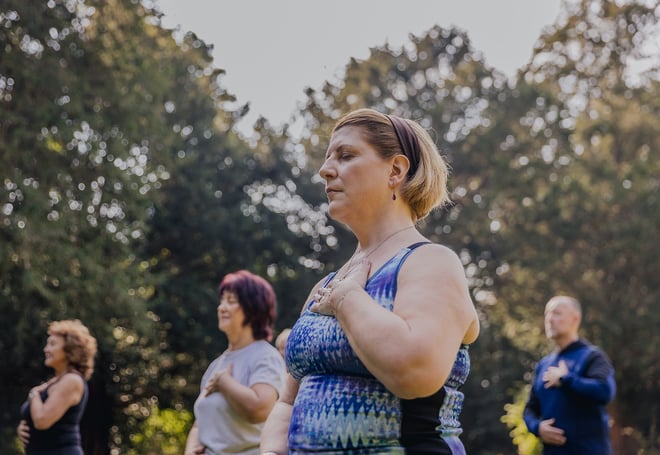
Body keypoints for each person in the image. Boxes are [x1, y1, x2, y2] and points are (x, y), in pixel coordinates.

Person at [260, 108, 480, 454]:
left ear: (395, 170)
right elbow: (288, 399)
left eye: (346, 155)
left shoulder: (431, 262)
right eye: (328, 157)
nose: (325, 169)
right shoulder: (326, 285)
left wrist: (348, 299)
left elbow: (415, 369)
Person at [185, 270, 287, 455]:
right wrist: (191, 449)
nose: (221, 307)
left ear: (253, 309)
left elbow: (259, 410)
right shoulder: (216, 365)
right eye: (222, 300)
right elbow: (200, 423)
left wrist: (224, 383)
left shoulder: (266, 357)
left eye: (231, 301)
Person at [523, 295, 616, 455]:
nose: (550, 319)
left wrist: (565, 379)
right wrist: (537, 428)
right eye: (547, 314)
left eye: (557, 313)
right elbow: (529, 410)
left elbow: (605, 391)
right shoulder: (543, 365)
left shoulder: (592, 356)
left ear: (575, 319)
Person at [17, 319, 98, 454]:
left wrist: (33, 394)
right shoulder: (55, 382)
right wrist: (23, 428)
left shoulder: (72, 381)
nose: (46, 349)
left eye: (52, 344)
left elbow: (42, 420)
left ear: (69, 350)